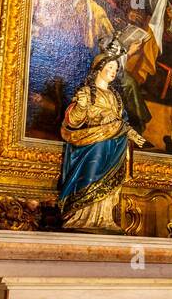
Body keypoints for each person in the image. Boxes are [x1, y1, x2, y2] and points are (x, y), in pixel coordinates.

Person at [57, 52, 146, 232]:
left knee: (109, 184)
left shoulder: (116, 96)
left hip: (115, 146)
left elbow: (122, 122)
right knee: (89, 177)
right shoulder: (87, 92)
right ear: (99, 69)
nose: (114, 71)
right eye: (110, 67)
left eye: (116, 68)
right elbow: (74, 120)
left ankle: (104, 218)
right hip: (93, 145)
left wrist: (133, 135)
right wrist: (81, 107)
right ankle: (83, 217)